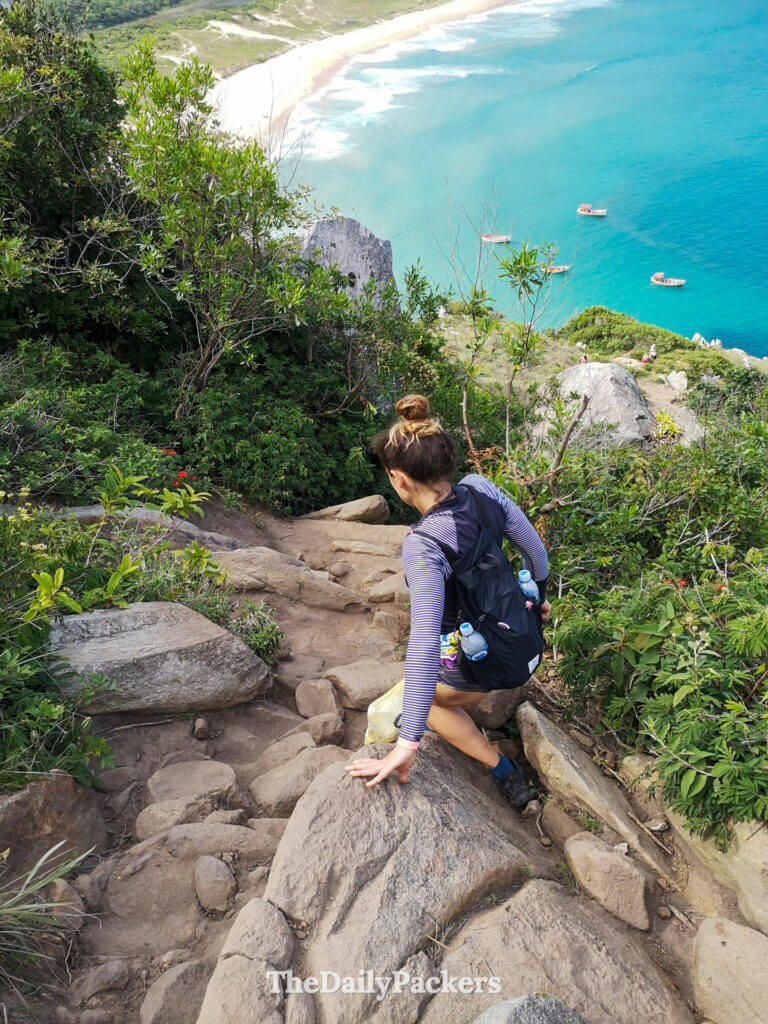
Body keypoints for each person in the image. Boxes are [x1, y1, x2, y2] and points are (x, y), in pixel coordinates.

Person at [345, 395, 551, 813]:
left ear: (398, 479)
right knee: (426, 686)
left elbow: (422, 642)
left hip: (483, 663)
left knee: (416, 703)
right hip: (527, 642)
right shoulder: (480, 488)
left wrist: (407, 744)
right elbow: (538, 556)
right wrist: (539, 600)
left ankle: (501, 767)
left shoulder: (424, 544)